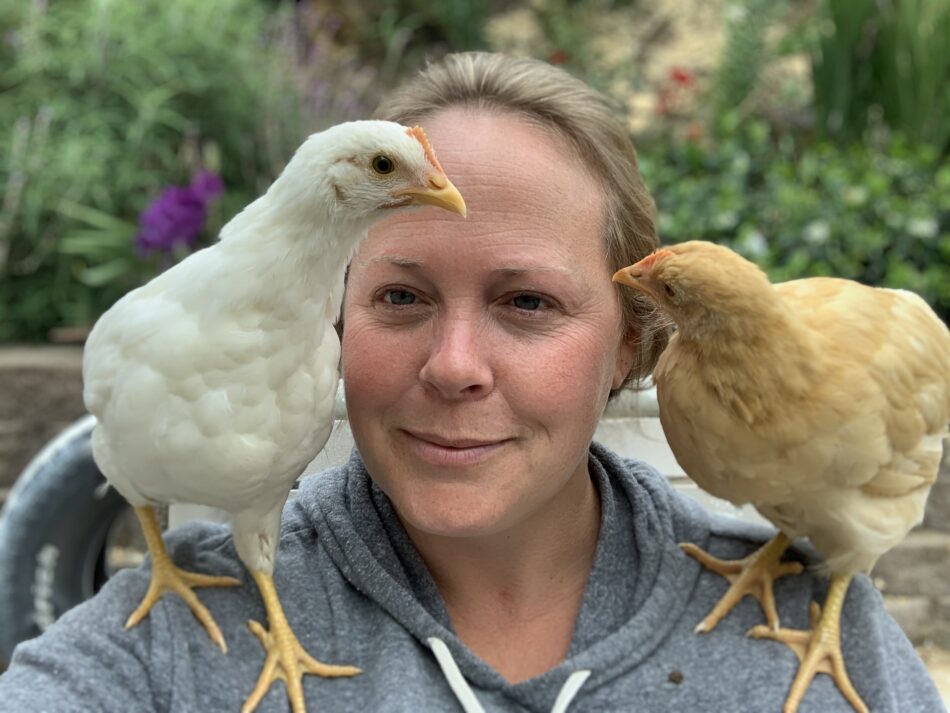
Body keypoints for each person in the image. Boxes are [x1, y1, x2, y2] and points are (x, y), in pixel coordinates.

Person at [0, 52, 942, 713]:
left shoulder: (819, 639)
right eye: (401, 295)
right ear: (337, 322)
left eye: (527, 303)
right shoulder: (169, 647)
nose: (454, 367)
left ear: (629, 348)